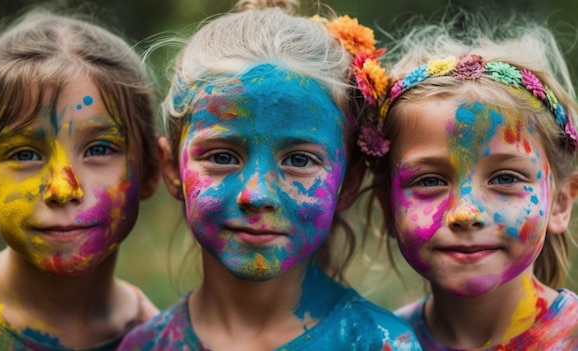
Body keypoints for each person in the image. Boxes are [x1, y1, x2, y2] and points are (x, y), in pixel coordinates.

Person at [118, 0, 422, 350]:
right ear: (171, 168)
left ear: (348, 183)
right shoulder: (144, 345)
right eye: (222, 156)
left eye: (300, 160)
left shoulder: (378, 343)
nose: (257, 194)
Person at [363, 10, 578, 350]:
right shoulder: (378, 343)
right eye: (430, 181)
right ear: (388, 209)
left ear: (561, 201)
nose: (465, 213)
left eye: (505, 177)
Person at [0, 6, 162, 350]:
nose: (63, 189)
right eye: (24, 154)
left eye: (99, 149)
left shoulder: (163, 342)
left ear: (152, 169)